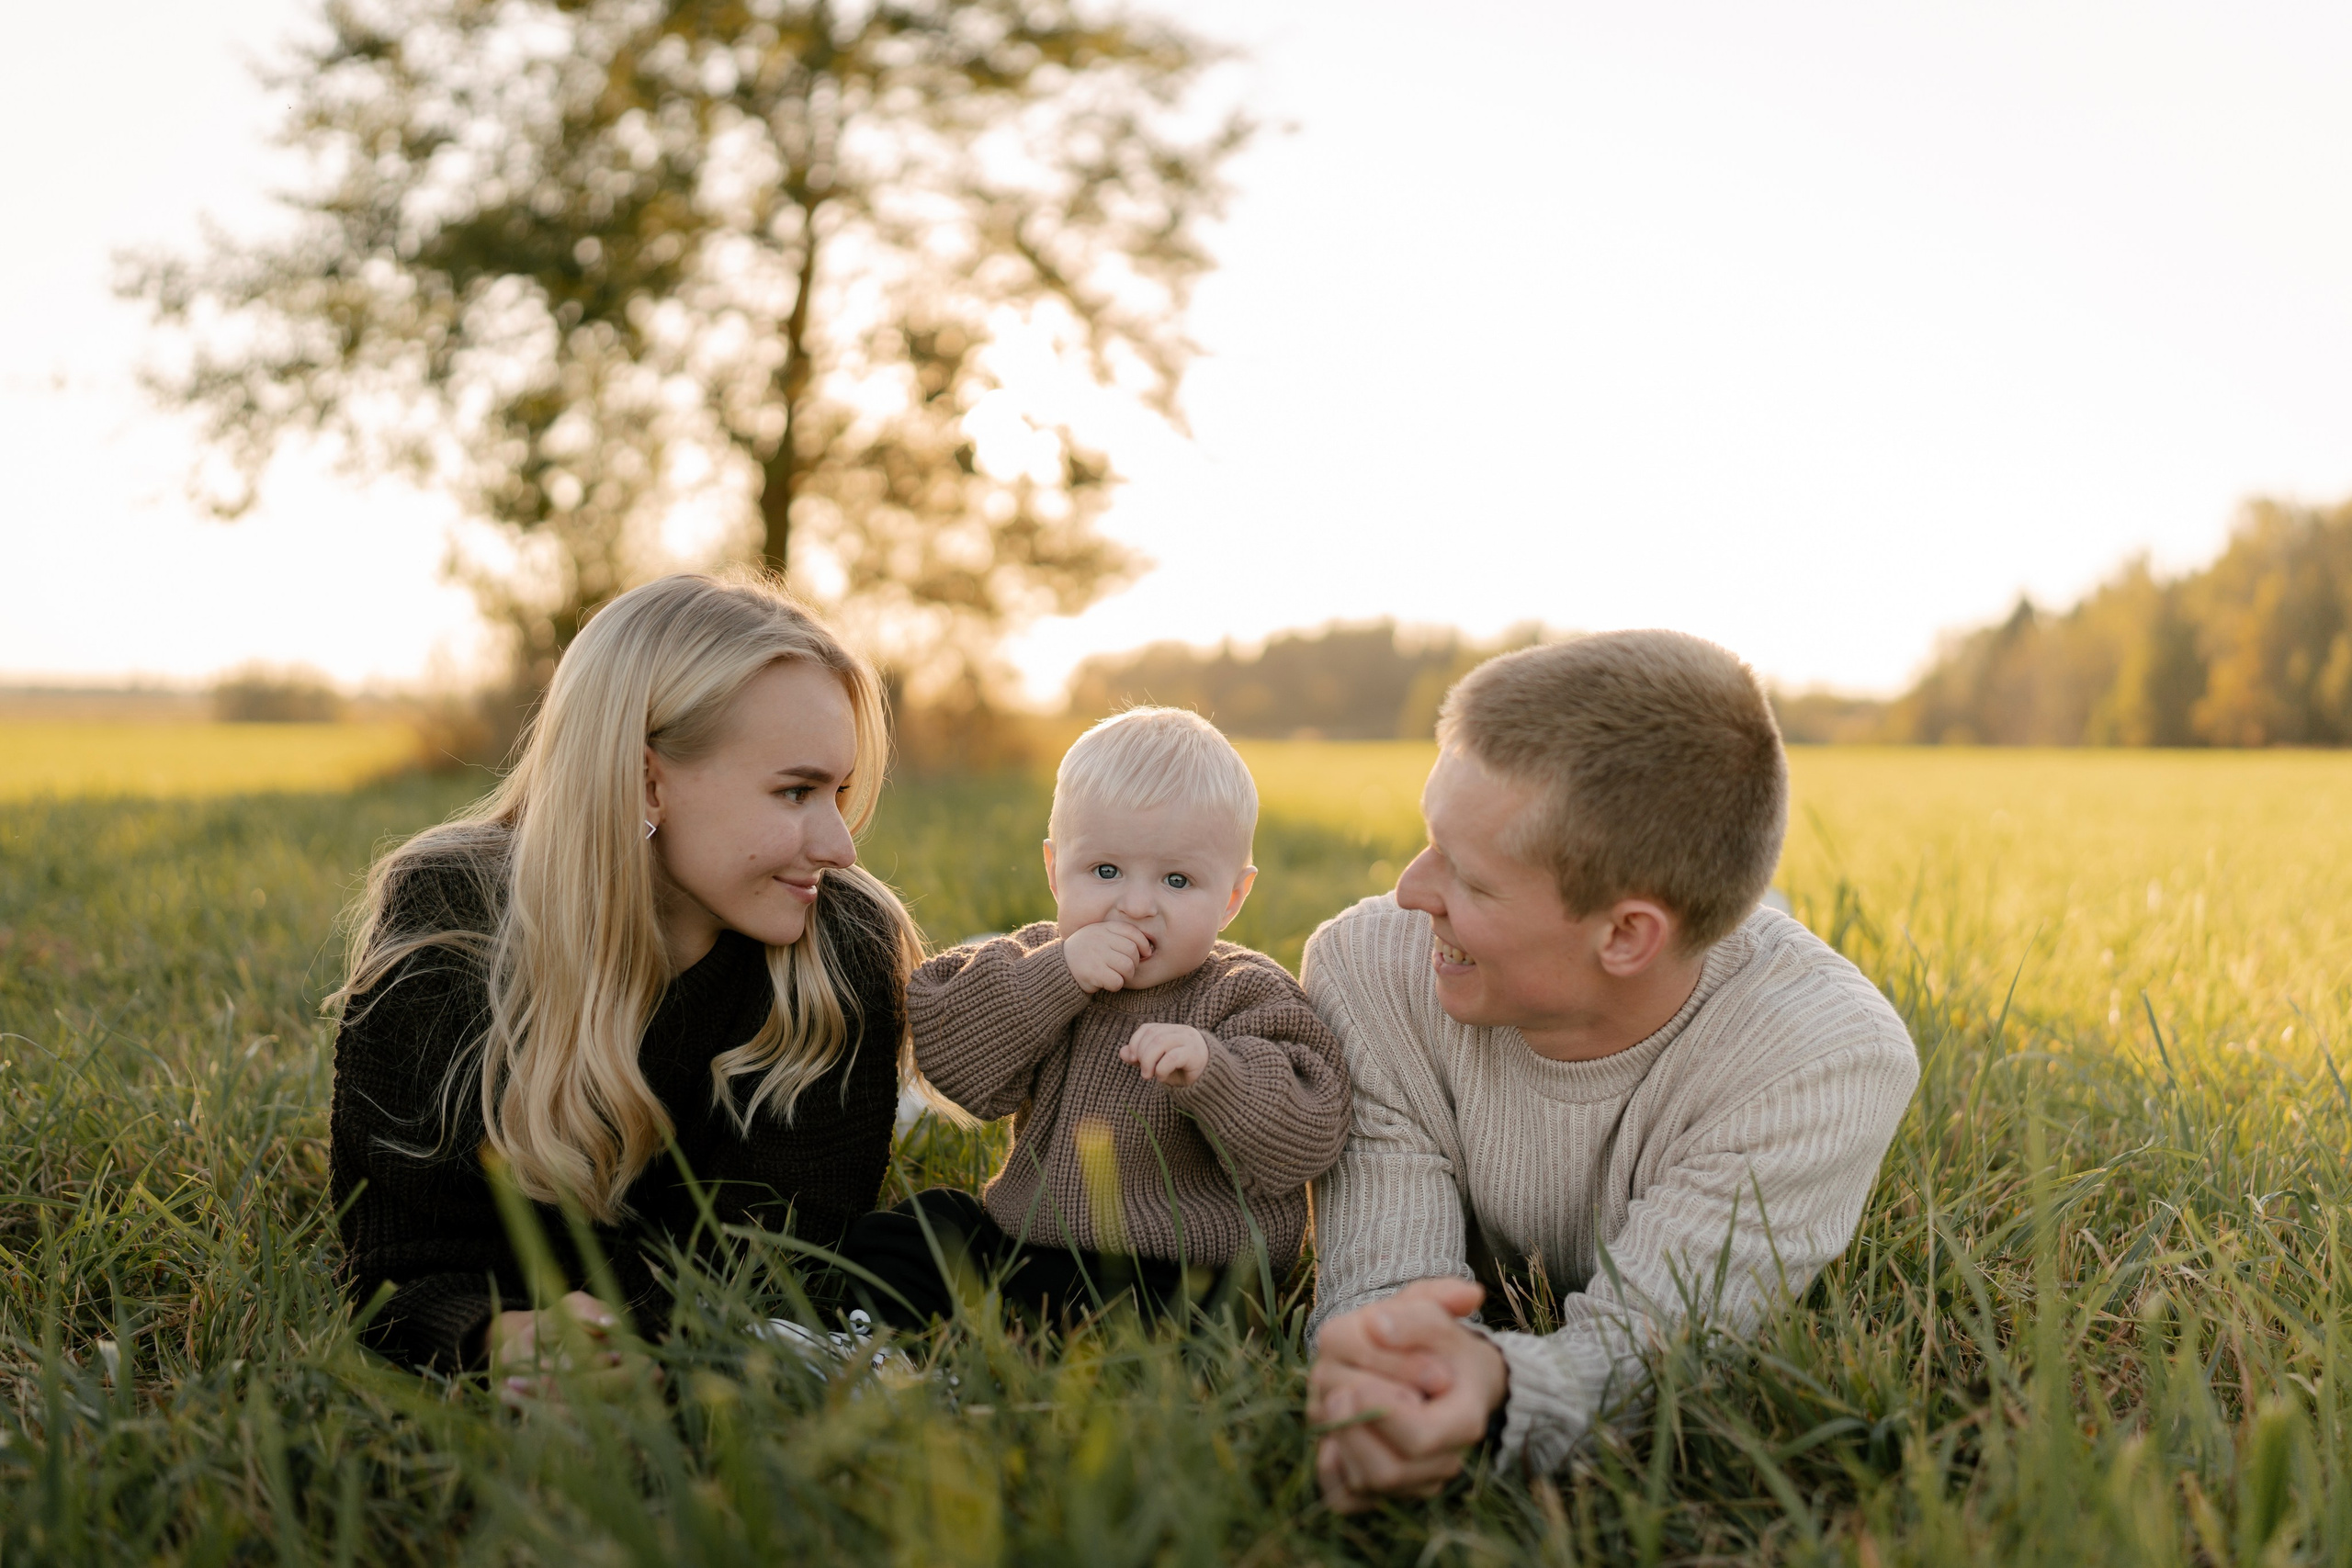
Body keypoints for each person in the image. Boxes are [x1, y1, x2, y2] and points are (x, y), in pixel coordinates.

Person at [1302, 631, 1919, 1507]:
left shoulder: (1826, 1062)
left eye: (1469, 880)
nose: (1409, 889)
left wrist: (1501, 1395)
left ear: (1627, 934)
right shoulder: (1367, 967)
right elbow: (1379, 1279)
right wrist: (1389, 1378)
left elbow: (1656, 1343)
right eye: (1427, 838)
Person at [328, 572, 921, 1394]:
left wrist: (615, 1334)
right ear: (647, 781)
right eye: (795, 790)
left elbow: (776, 1268)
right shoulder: (449, 922)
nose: (840, 844)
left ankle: (910, 1094)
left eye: (840, 792)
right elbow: (397, 1260)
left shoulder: (842, 946)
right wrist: (498, 1334)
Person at [843, 707, 1351, 1327]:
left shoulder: (1244, 993)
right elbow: (951, 1050)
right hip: (1028, 1244)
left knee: (1164, 1313)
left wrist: (1215, 1072)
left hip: (1185, 1271)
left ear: (1232, 897)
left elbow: (1308, 1136)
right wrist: (1057, 976)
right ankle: (870, 1339)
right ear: (1056, 871)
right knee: (919, 1228)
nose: (1136, 905)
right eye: (1105, 871)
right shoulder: (1043, 960)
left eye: (1177, 880)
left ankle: (1015, 1334)